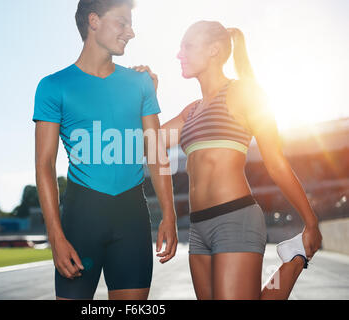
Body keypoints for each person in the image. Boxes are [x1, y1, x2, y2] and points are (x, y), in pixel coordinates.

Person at [133, 21, 322, 300]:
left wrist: (311, 223)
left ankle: (294, 261)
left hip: (235, 217)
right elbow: (149, 143)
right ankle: (293, 258)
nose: (179, 54)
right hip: (198, 227)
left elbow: (276, 163)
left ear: (214, 50)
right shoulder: (191, 111)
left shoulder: (243, 93)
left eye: (187, 45)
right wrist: (147, 96)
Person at [33, 0, 178, 300]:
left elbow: (156, 153)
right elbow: (45, 165)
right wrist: (56, 238)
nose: (131, 33)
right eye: (122, 22)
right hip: (80, 219)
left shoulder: (140, 83)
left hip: (132, 219)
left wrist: (169, 215)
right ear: (94, 21)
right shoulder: (53, 86)